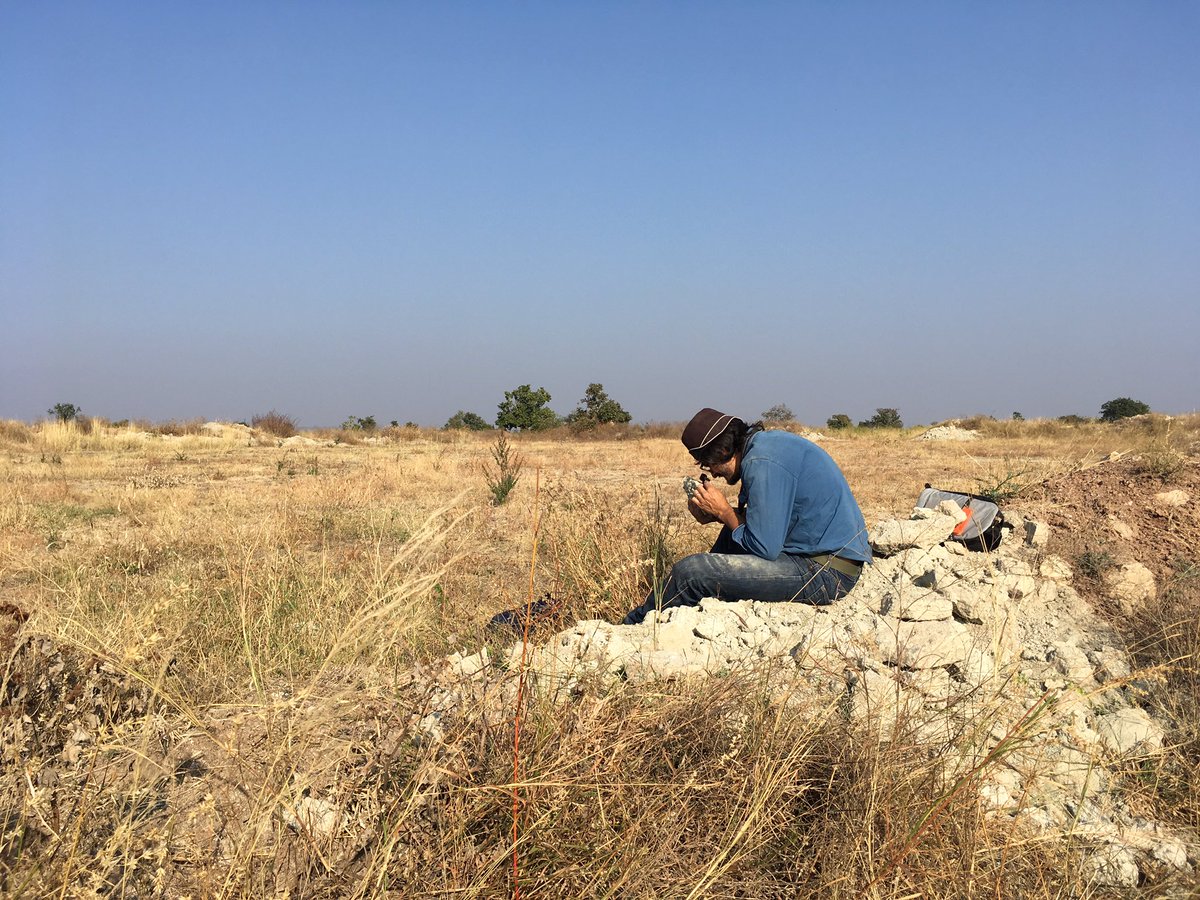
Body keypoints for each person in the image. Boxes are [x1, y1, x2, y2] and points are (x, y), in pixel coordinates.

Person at [622, 407, 871, 625]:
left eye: (709, 465)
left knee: (692, 571)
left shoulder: (762, 462)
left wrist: (724, 511)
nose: (713, 474)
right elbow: (765, 522)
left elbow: (765, 547)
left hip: (825, 573)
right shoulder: (764, 447)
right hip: (818, 557)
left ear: (721, 452)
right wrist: (719, 516)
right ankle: (673, 611)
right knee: (730, 536)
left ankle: (638, 625)